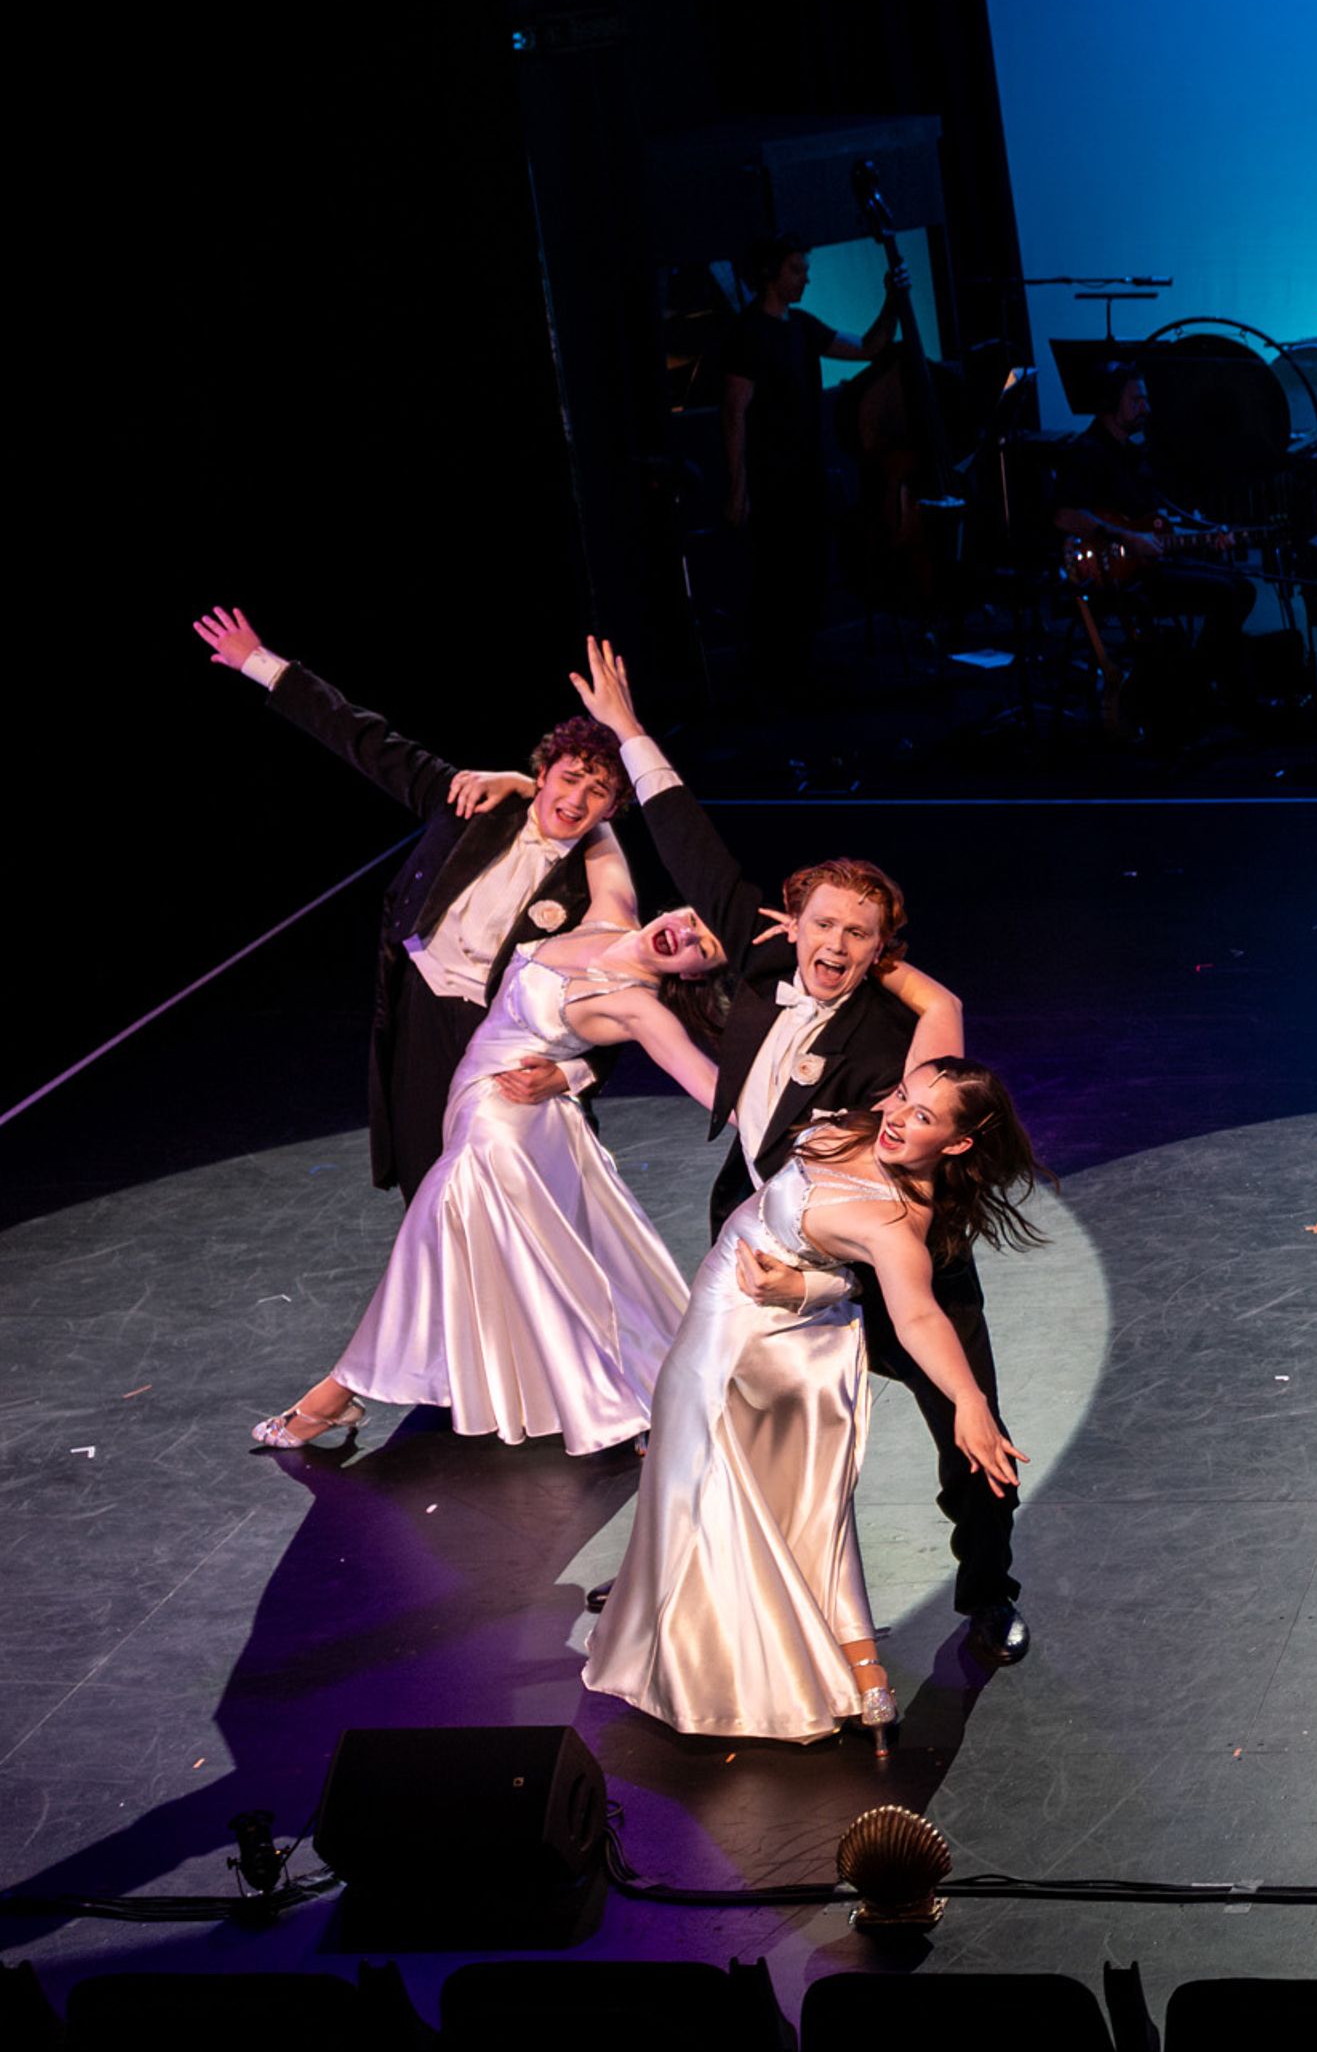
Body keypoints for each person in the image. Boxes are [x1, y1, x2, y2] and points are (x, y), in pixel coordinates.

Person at [557, 640, 1032, 1666]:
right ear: (794, 919)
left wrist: (909, 984)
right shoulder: (765, 950)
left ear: (881, 952)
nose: (834, 945)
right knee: (711, 1408)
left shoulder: (891, 1046)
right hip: (764, 1220)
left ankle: (989, 1591)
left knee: (969, 1423)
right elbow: (685, 842)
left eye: (860, 936)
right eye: (823, 923)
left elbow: (924, 1081)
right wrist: (633, 734)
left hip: (890, 1250)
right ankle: (664, 1572)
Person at [587, 1061, 1044, 1754]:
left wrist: (970, 1401)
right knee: (768, 1496)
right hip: (737, 1309)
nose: (896, 1115)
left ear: (956, 1144)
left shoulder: (896, 1222)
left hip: (771, 1340)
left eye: (923, 1117)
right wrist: (819, 1283)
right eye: (901, 1095)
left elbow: (917, 1315)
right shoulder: (861, 1126)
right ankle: (859, 1675)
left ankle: (728, 1664)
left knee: (744, 1493)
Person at [247, 906, 733, 1455]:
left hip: (508, 1125)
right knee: (544, 1259)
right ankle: (648, 1383)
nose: (687, 932)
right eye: (693, 918)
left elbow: (706, 1081)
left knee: (443, 1232)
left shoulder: (635, 1005)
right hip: (477, 1102)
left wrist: (784, 1121)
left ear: (691, 974)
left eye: (703, 947)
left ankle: (336, 1394)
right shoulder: (610, 913)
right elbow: (604, 825)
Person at [196, 607, 640, 1198]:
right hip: (424, 1010)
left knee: (514, 1190)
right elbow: (365, 740)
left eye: (598, 791)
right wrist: (260, 663)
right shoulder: (469, 802)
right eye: (570, 777)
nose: (576, 798)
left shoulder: (595, 884)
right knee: (426, 1176)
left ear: (611, 810)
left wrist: (571, 1074)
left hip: (504, 1034)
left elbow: (620, 999)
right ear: (543, 772)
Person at [715, 232, 904, 694]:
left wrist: (894, 300)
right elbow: (734, 412)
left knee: (808, 581)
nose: (806, 278)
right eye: (797, 270)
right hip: (771, 481)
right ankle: (775, 682)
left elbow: (868, 345)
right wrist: (738, 490)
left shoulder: (801, 326)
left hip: (807, 477)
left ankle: (798, 678)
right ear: (771, 274)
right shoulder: (749, 333)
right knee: (777, 584)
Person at [1051, 361, 1258, 706]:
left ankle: (1200, 680)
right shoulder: (1086, 453)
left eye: (1145, 400)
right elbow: (1063, 515)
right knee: (1227, 593)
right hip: (1119, 581)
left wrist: (1207, 536)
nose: (1146, 408)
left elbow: (1156, 522)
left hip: (1147, 567)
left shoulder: (1134, 454)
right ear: (1109, 404)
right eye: (1136, 401)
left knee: (1241, 586)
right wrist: (1125, 537)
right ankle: (1199, 686)